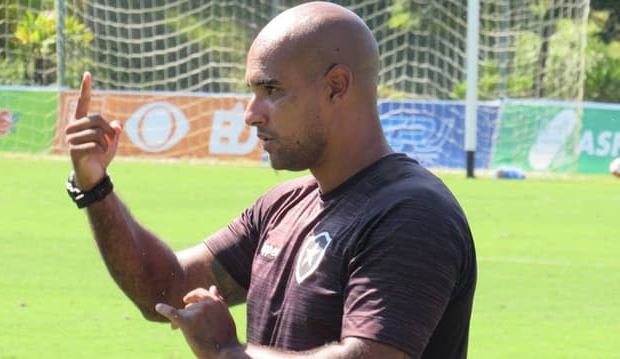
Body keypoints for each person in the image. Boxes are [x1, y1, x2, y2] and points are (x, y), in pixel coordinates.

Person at [64, 2, 477, 358]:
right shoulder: (284, 204)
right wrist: (95, 187)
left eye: (272, 89)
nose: (251, 113)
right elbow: (165, 286)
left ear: (337, 86)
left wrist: (226, 352)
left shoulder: (411, 214)